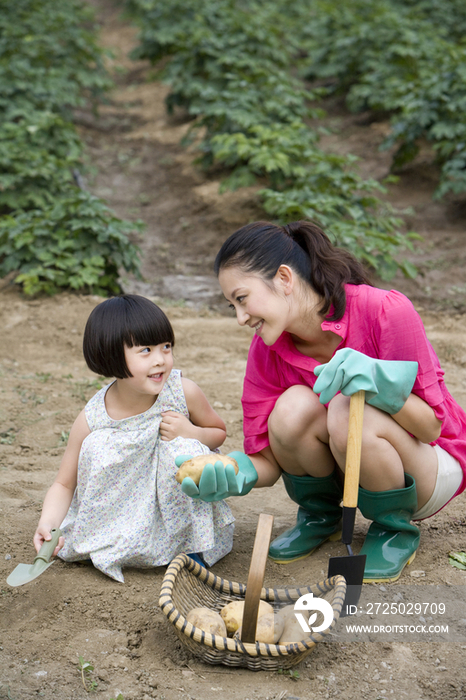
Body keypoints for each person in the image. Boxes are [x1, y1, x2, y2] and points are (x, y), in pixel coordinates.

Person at [179, 220, 466, 583]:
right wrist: (239, 472)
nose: (240, 318)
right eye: (231, 305)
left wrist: (378, 384)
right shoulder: (268, 349)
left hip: (427, 465)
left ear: (284, 279)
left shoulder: (385, 311)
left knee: (347, 407)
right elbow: (269, 457)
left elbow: (431, 426)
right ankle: (321, 517)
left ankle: (394, 529)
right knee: (292, 407)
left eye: (242, 299)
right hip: (353, 465)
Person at [34, 294, 234, 582]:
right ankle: (117, 541)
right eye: (146, 350)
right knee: (96, 446)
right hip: (123, 515)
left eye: (166, 347)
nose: (160, 360)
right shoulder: (94, 417)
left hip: (175, 512)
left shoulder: (181, 392)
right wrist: (49, 523)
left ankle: (190, 545)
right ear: (111, 354)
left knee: (183, 447)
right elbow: (65, 483)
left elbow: (219, 432)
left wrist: (191, 432)